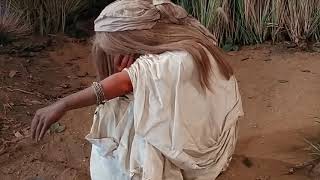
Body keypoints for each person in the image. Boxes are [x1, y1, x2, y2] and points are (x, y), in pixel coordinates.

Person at [31, 0, 243, 179]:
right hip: (192, 121)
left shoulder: (177, 60)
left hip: (195, 136)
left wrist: (64, 104)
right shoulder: (177, 41)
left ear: (134, 40)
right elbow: (134, 82)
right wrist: (130, 77)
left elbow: (122, 84)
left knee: (133, 119)